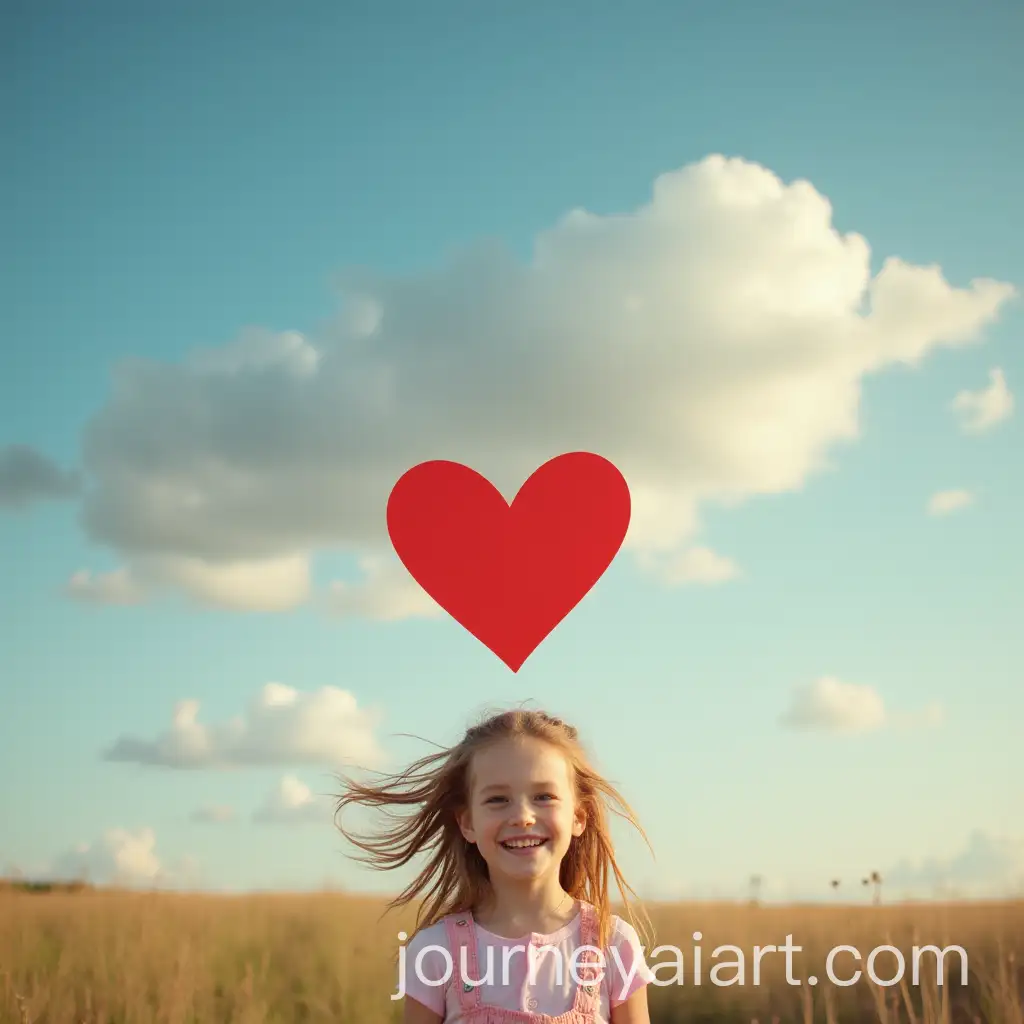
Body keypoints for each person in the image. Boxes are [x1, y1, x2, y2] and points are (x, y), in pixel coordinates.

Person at [334, 707, 657, 1023]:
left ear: (578, 816)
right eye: (497, 800)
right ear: (467, 823)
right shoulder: (435, 950)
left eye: (544, 796)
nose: (522, 816)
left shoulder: (612, 942)